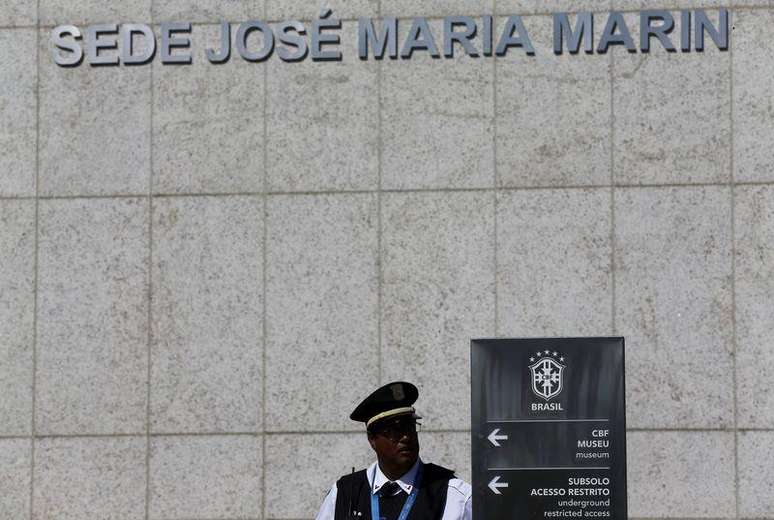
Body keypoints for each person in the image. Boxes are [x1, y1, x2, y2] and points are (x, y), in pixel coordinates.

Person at [315, 381, 472, 520]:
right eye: (395, 430)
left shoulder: (452, 494)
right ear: (372, 439)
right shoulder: (344, 493)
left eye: (410, 427)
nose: (406, 437)